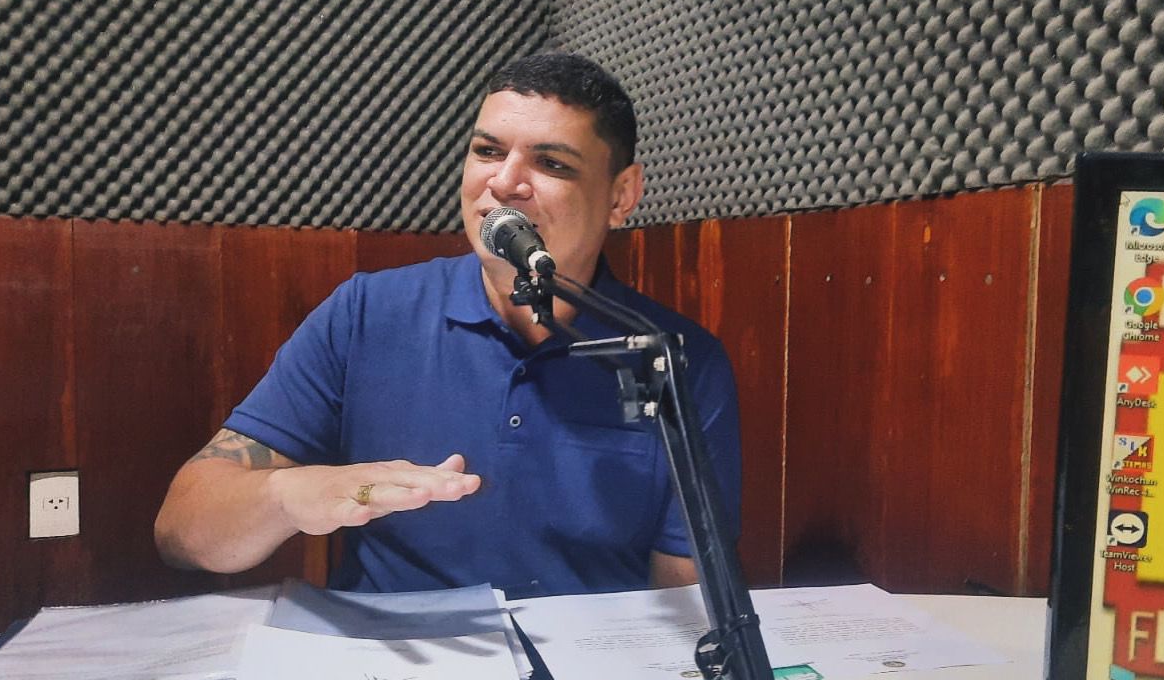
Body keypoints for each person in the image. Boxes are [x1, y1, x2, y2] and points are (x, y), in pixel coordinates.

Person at [154, 52, 741, 598]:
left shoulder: (678, 359)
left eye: (551, 163)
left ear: (622, 195)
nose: (504, 183)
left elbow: (686, 594)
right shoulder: (366, 314)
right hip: (394, 660)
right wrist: (287, 496)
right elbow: (182, 532)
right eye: (487, 151)